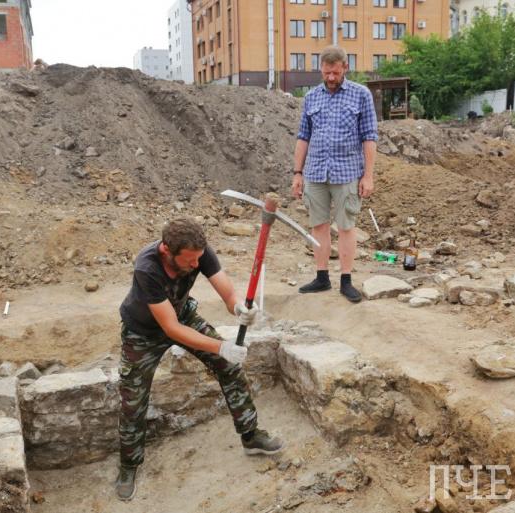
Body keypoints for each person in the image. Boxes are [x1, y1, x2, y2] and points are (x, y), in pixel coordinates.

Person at [115, 218, 284, 501]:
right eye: (189, 261)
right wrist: (221, 347)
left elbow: (227, 292)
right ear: (167, 250)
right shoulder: (147, 268)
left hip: (182, 315)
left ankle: (250, 435)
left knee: (229, 367)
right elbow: (171, 329)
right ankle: (128, 465)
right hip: (142, 333)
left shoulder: (198, 251)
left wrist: (238, 308)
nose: (196, 265)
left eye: (198, 259)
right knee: (133, 399)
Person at [290, 45, 378, 303]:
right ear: (321, 69)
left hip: (347, 172)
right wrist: (297, 173)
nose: (330, 78)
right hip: (315, 172)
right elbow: (303, 137)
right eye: (326, 72)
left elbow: (370, 137)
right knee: (318, 225)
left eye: (335, 73)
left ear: (345, 68)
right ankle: (322, 277)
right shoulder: (311, 97)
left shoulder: (361, 95)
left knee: (346, 226)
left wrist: (368, 176)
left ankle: (346, 280)